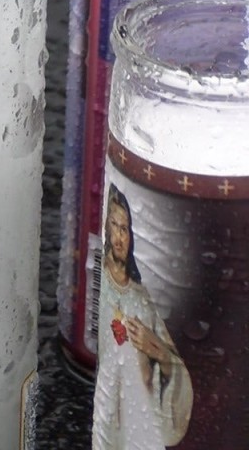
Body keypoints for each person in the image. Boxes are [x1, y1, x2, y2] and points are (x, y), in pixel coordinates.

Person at [92, 185, 193, 450]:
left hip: (140, 430)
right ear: (106, 227)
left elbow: (177, 371)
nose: (118, 237)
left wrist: (157, 350)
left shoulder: (142, 300)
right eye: (114, 226)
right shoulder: (101, 282)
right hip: (107, 425)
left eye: (124, 229)